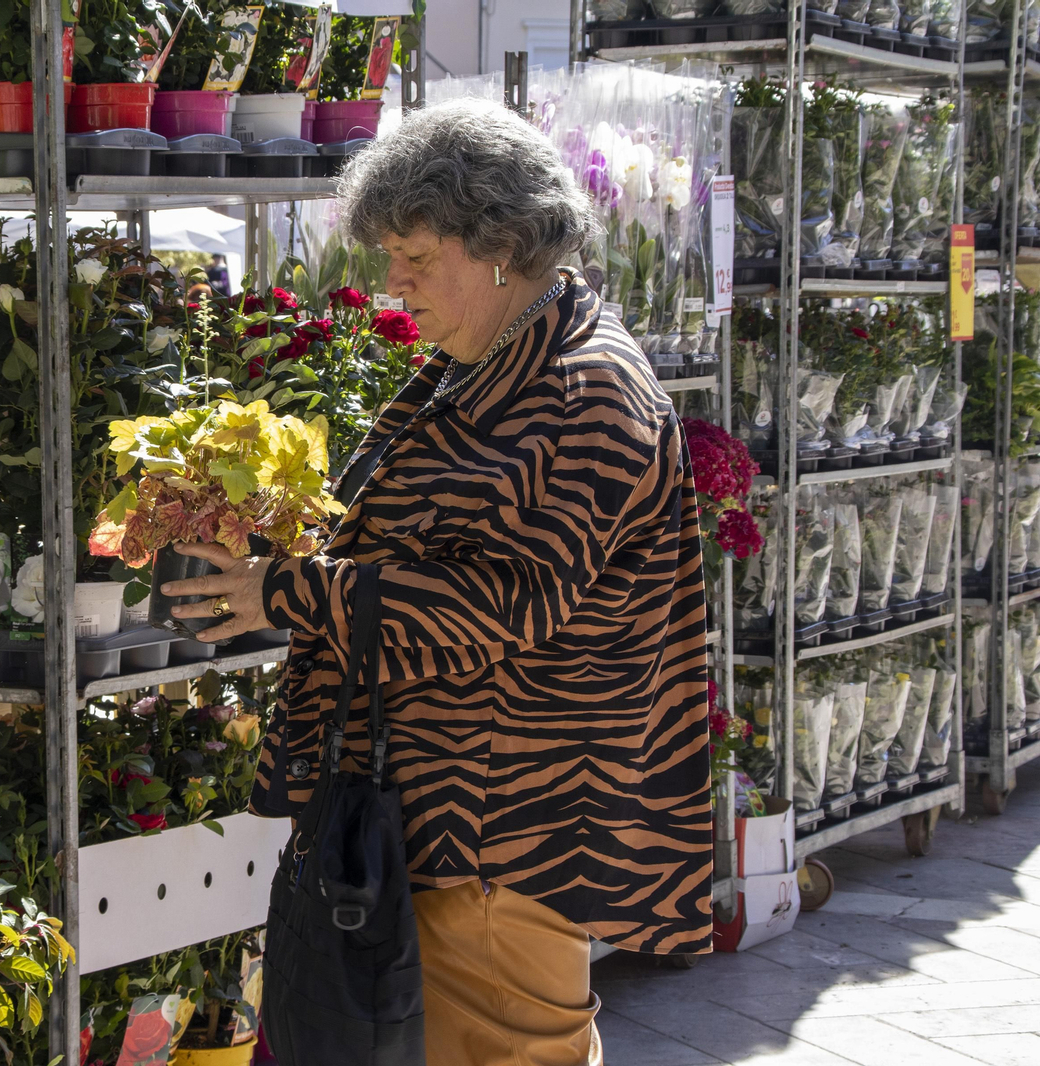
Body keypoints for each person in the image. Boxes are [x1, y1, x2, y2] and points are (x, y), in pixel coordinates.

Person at [159, 100, 712, 1066]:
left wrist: (287, 594)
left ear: (501, 243)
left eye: (414, 254)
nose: (393, 280)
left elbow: (507, 602)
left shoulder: (585, 388)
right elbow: (413, 535)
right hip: (428, 821)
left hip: (505, 833)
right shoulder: (492, 361)